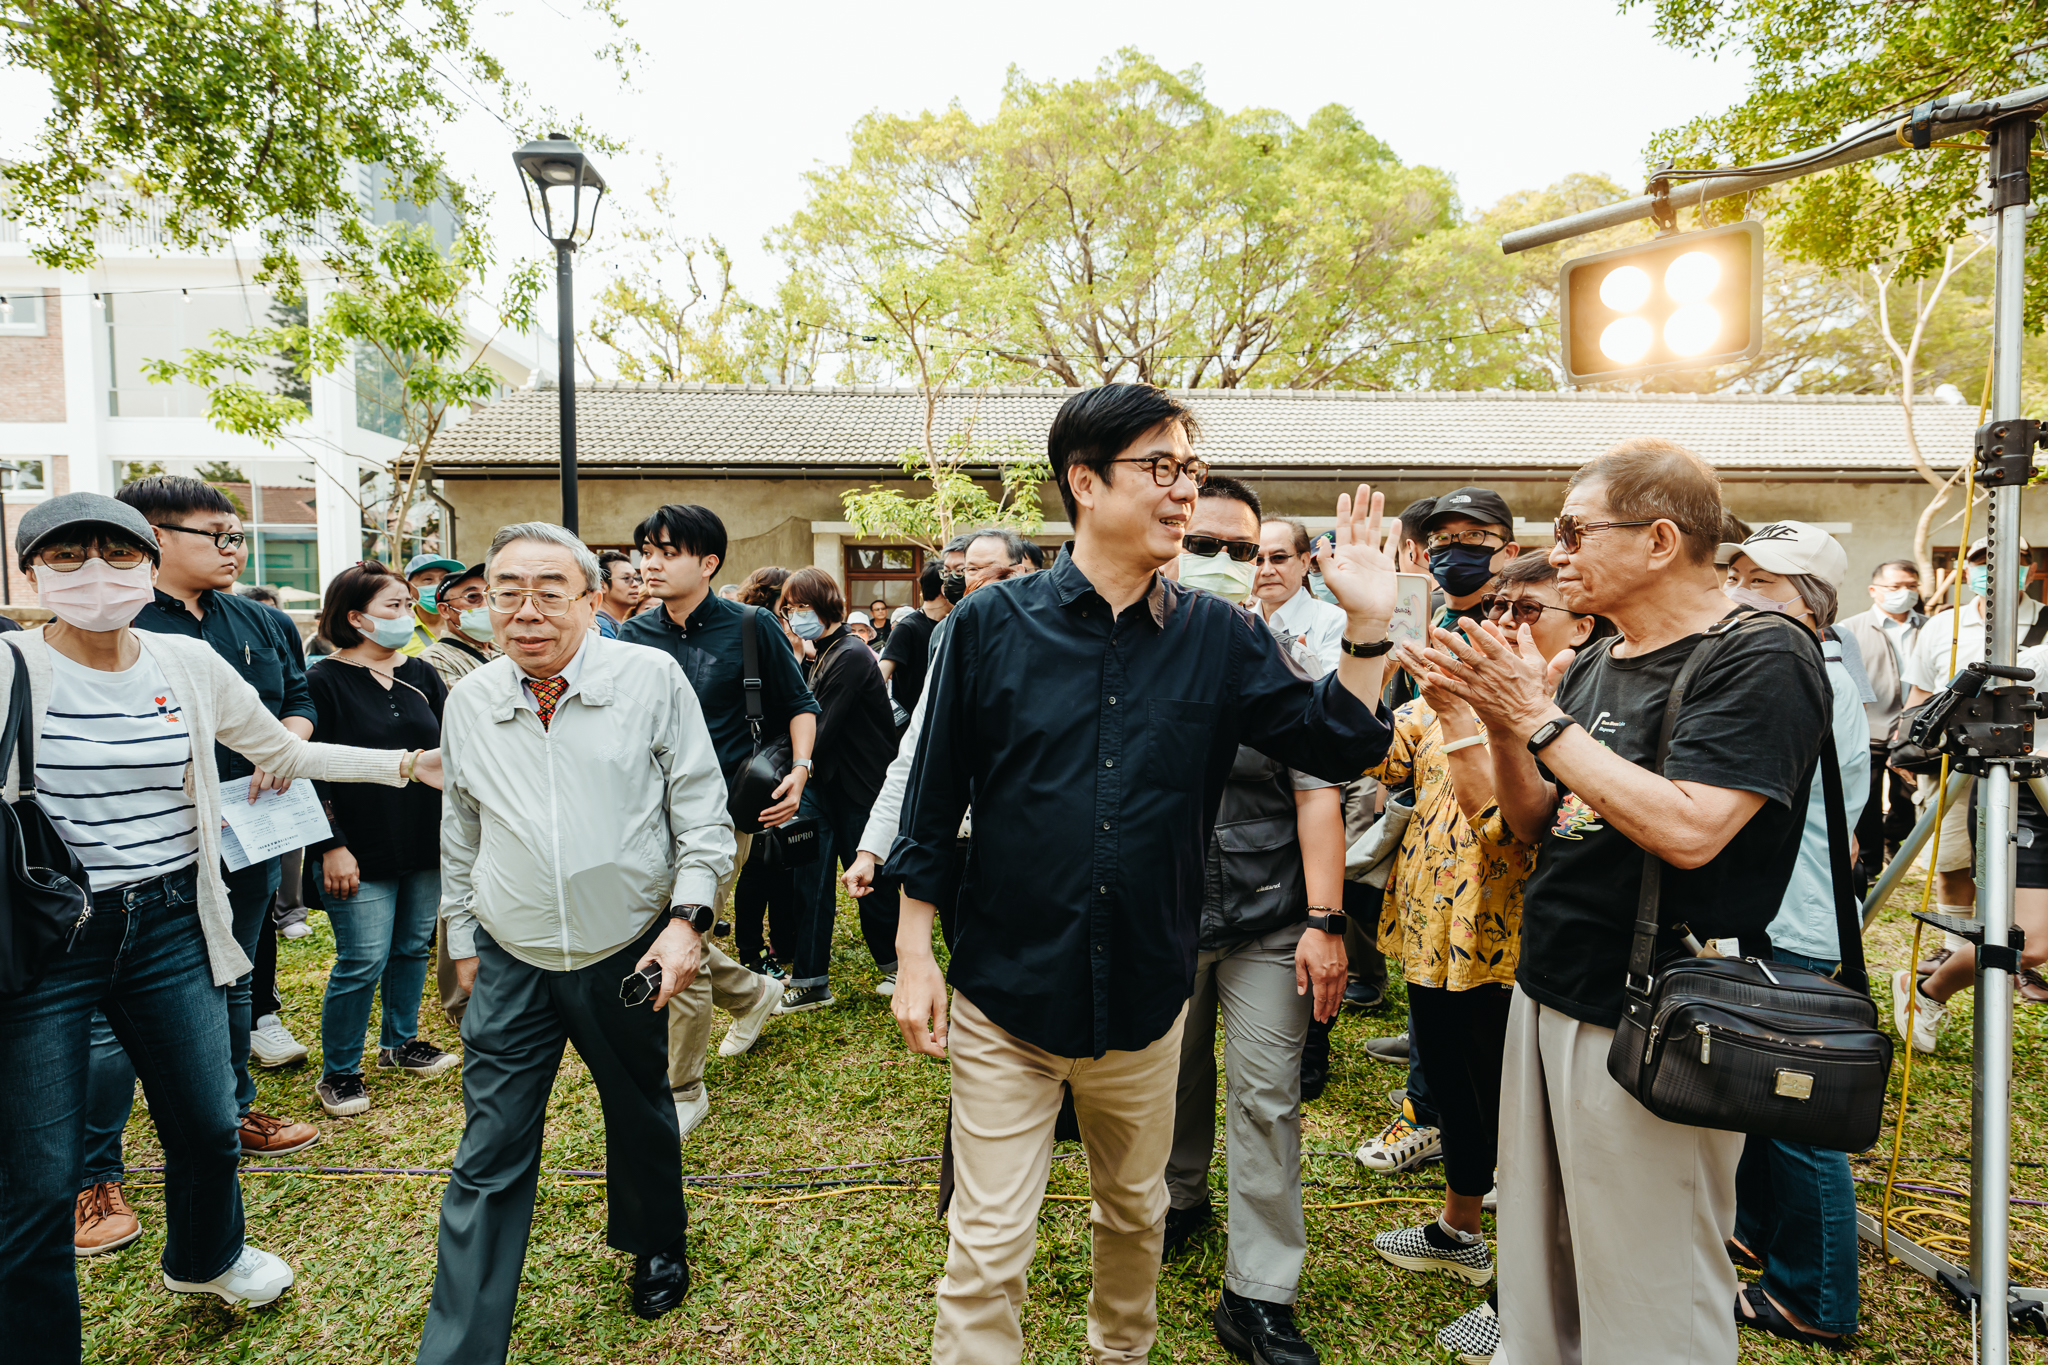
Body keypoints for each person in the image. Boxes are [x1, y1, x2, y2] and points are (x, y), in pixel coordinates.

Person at [888, 383, 1401, 1365]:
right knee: (987, 1244)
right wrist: (916, 951)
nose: (1182, 495)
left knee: (1133, 1217)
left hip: (1144, 994)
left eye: (1190, 472)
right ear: (1083, 482)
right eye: (1159, 470)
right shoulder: (988, 626)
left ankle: (1115, 1352)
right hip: (1007, 991)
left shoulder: (1221, 638)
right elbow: (931, 796)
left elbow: (1335, 746)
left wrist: (1367, 631)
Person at [1415, 437, 1829, 1365]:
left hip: (1659, 1010)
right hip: (1552, 986)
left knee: (1650, 1285)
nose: (1553, 553)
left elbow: (1691, 829)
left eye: (1573, 529)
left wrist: (1538, 718)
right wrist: (1489, 713)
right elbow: (1533, 822)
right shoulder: (1604, 657)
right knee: (1543, 1261)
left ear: (1659, 539)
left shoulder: (1759, 653)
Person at [0, 493, 440, 1361]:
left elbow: (281, 751)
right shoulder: (11, 667)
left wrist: (404, 763)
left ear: (148, 562)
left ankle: (205, 1257)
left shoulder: (183, 662)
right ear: (31, 572)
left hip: (171, 920)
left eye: (116, 555)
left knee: (206, 1121)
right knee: (36, 1180)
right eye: (68, 556)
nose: (95, 574)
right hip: (50, 938)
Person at [419, 522, 727, 1363]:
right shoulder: (472, 699)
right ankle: (460, 1346)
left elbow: (700, 807)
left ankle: (655, 1237)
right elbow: (462, 824)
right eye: (505, 591)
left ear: (592, 599)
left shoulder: (649, 677)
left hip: (623, 945)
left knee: (638, 1107)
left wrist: (686, 918)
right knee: (489, 1145)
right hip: (513, 950)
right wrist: (464, 932)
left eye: (550, 590)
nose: (526, 611)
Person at [1362, 552, 1609, 1358]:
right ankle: (1458, 1228)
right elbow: (1372, 756)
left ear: (1582, 627)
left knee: (1524, 1132)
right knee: (1457, 1096)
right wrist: (1385, 633)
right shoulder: (1449, 701)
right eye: (1500, 608)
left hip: (1515, 956)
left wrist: (1473, 722)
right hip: (1436, 937)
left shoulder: (1575, 721)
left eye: (1527, 610)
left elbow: (1511, 838)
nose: (1503, 622)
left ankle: (1520, 1298)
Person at [1160, 476, 1349, 1365]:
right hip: (1164, 913)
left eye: (1248, 551)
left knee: (1267, 1095)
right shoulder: (1125, 656)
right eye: (1212, 547)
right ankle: (1180, 1197)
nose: (1234, 566)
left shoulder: (1286, 661)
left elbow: (1318, 799)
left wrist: (1327, 920)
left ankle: (1260, 1290)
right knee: (1172, 1080)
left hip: (1270, 916)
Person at [108, 476, 321, 1172]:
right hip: (151, 846)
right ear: (155, 537)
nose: (234, 548)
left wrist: (286, 736)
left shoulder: (259, 621)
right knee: (113, 1007)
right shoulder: (119, 623)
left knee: (236, 972)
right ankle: (95, 1166)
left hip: (252, 830)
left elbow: (297, 694)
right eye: (218, 535)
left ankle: (232, 1107)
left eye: (238, 535)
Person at [1718, 522, 1869, 1347]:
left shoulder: (1805, 673)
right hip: (1785, 912)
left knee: (1796, 1116)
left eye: (1762, 583)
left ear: (1808, 601)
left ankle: (1812, 1297)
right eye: (1735, 573)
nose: (1738, 592)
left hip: (1792, 920)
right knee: (1757, 1093)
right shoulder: (1818, 666)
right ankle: (1755, 1232)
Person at [618, 506, 815, 1130]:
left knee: (685, 939)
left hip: (722, 812)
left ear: (708, 563)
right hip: (644, 812)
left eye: (667, 551)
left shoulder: (753, 625)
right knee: (678, 934)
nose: (650, 563)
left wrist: (801, 770)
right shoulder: (632, 635)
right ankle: (756, 993)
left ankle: (682, 1089)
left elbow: (800, 705)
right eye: (646, 551)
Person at [305, 562, 458, 1118]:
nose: (407, 615)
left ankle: (400, 1042)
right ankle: (340, 1071)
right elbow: (308, 770)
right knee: (361, 959)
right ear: (356, 617)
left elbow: (451, 751)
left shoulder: (422, 674)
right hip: (356, 846)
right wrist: (331, 845)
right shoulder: (320, 682)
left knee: (413, 946)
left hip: (424, 838)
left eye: (409, 603)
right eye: (395, 606)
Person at [775, 567, 900, 1008]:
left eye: (802, 606)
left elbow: (819, 727)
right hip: (820, 787)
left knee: (869, 884)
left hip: (858, 788)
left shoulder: (849, 653)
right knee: (808, 882)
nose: (795, 615)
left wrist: (792, 765)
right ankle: (810, 982)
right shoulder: (818, 653)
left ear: (826, 605)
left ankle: (896, 968)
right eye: (789, 608)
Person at [1836, 560, 1924, 889]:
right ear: (1874, 591)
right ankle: (1869, 864)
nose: (1905, 593)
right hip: (1869, 728)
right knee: (1866, 801)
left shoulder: (1932, 628)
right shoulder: (1851, 630)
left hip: (1915, 730)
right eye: (1895, 586)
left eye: (1911, 586)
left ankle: (1894, 842)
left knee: (1907, 797)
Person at [1251, 516, 1348, 670]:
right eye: (1258, 560)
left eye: (1278, 558)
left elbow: (1336, 691)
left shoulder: (1334, 622)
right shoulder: (1236, 621)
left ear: (1303, 563)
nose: (1267, 571)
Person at [881, 554, 960, 720]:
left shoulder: (952, 625)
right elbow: (879, 676)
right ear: (944, 589)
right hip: (913, 727)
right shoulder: (907, 628)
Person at [421, 562, 497, 690]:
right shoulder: (435, 660)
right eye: (472, 597)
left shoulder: (503, 650)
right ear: (445, 610)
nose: (486, 605)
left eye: (491, 596)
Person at [401, 553, 463, 655]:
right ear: (409, 586)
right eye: (428, 579)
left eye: (443, 579)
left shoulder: (466, 623)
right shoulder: (398, 628)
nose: (437, 586)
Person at [595, 550, 641, 638]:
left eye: (636, 577)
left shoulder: (619, 624)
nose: (635, 584)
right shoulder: (601, 626)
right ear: (602, 586)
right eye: (626, 578)